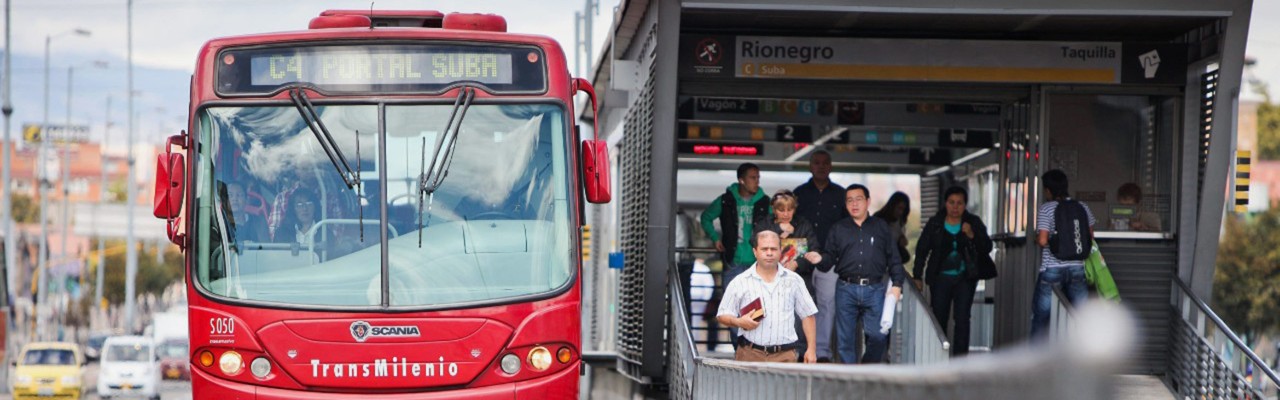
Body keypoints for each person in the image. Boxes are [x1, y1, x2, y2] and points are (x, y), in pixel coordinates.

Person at [814, 184, 906, 364]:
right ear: (846, 205)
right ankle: (851, 380)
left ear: (868, 202)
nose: (854, 204)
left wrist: (897, 284)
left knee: (878, 335)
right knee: (845, 341)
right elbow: (828, 260)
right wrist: (819, 259)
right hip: (846, 288)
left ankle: (865, 368)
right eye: (849, 200)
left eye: (859, 199)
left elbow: (894, 258)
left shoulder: (880, 227)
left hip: (875, 288)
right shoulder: (838, 228)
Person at [912, 186, 992, 356]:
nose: (955, 207)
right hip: (940, 278)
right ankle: (937, 354)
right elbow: (922, 250)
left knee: (962, 319)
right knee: (938, 317)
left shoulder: (973, 222)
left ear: (965, 205)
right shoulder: (935, 223)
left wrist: (972, 235)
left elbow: (986, 247)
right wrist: (917, 275)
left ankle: (960, 359)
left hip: (965, 278)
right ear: (945, 203)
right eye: (951, 203)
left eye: (959, 203)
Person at [716, 230, 818, 363]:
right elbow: (722, 315)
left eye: (773, 249)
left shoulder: (794, 280)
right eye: (764, 249)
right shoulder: (739, 281)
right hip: (749, 354)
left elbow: (808, 315)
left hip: (785, 356)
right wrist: (739, 322)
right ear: (755, 252)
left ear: (780, 251)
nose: (769, 253)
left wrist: (811, 349)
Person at [700, 163, 770, 348]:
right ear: (741, 180)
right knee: (731, 310)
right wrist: (715, 238)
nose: (757, 181)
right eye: (752, 177)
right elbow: (706, 217)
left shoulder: (765, 202)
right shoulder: (726, 200)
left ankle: (751, 349)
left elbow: (775, 224)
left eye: (758, 177)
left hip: (757, 266)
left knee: (757, 310)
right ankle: (738, 349)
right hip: (732, 263)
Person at [753, 190, 823, 361]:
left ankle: (799, 357)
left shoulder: (804, 224)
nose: (785, 214)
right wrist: (779, 231)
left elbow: (815, 251)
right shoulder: (765, 224)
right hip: (768, 283)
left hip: (799, 281)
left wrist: (797, 263)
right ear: (773, 209)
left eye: (789, 210)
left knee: (800, 321)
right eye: (781, 210)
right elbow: (753, 243)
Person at [1030, 170, 1096, 341]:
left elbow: (1043, 240)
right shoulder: (1082, 206)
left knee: (1042, 317)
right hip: (1077, 268)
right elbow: (1090, 236)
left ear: (1048, 190)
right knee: (1081, 317)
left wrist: (1037, 239)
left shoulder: (1046, 208)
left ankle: (1037, 364)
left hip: (1052, 269)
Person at [793, 150, 845, 362]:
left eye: (825, 163)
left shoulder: (841, 194)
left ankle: (821, 351)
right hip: (801, 259)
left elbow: (846, 227)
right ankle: (798, 349)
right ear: (810, 166)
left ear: (830, 166)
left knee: (826, 304)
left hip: (828, 258)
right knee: (797, 304)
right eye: (817, 163)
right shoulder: (799, 193)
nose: (821, 166)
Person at [223, 181, 269, 245]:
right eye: (230, 195)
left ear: (246, 200)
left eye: (239, 195)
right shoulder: (220, 223)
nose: (235, 199)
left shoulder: (259, 223)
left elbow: (266, 249)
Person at [873, 191, 912, 263]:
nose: (900, 212)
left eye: (903, 210)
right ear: (892, 206)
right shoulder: (878, 220)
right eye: (899, 208)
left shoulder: (900, 221)